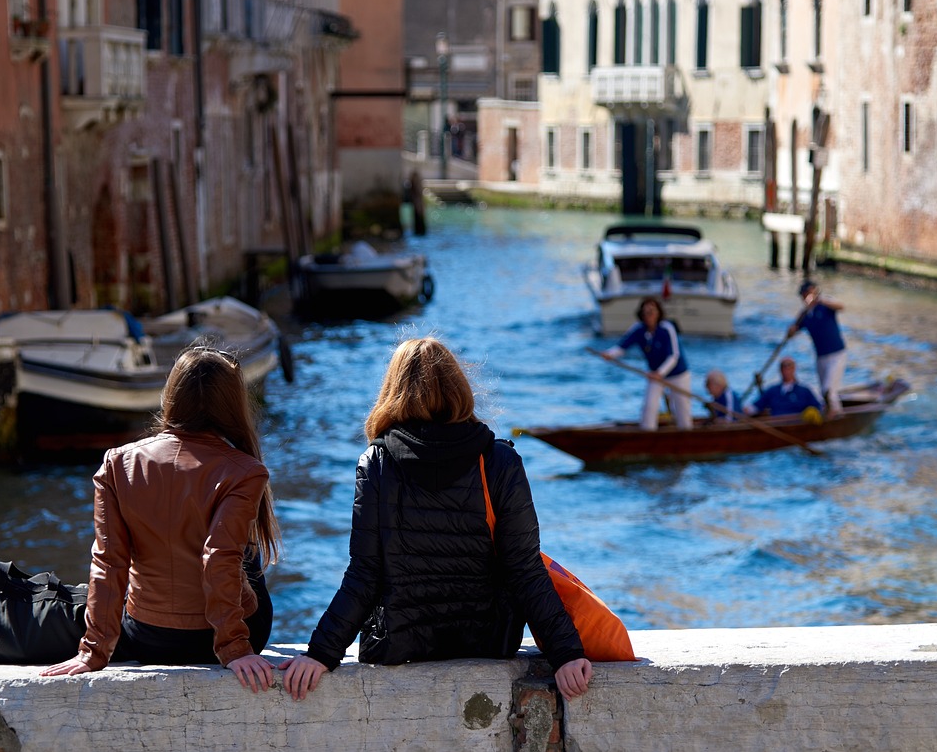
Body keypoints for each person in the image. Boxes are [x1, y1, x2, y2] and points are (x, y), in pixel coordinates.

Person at [279, 337, 592, 702]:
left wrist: (321, 653)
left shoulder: (377, 463)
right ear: (459, 388)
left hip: (400, 642)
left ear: (393, 391)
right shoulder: (500, 461)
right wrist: (566, 654)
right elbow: (523, 569)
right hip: (489, 640)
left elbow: (365, 573)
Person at [43, 345, 282, 695]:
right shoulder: (245, 471)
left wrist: (93, 651)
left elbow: (109, 562)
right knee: (245, 551)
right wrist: (234, 649)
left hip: (146, 636)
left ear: (171, 396)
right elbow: (218, 558)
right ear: (233, 404)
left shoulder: (115, 464)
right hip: (218, 642)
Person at [601, 297, 692, 431]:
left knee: (682, 410)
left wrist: (660, 373)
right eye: (645, 313)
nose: (648, 316)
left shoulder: (667, 328)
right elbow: (622, 346)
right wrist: (610, 354)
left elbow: (674, 356)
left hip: (678, 375)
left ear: (658, 313)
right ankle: (648, 434)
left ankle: (686, 436)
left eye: (651, 312)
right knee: (649, 407)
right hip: (655, 375)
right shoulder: (639, 329)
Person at [787, 280, 847, 417]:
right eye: (803, 295)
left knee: (828, 390)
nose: (805, 297)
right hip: (821, 357)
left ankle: (835, 417)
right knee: (824, 392)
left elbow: (841, 306)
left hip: (836, 354)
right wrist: (791, 330)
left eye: (807, 294)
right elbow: (793, 330)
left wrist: (819, 300)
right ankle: (835, 413)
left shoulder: (825, 304)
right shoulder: (805, 314)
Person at [746, 357, 824, 417]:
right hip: (775, 426)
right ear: (780, 370)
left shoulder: (804, 391)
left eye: (789, 366)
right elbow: (755, 407)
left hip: (798, 427)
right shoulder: (772, 391)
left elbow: (818, 408)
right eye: (784, 366)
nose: (786, 369)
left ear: (794, 369)